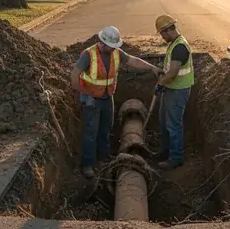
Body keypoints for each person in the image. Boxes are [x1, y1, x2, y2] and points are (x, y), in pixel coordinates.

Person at [71, 26, 162, 179]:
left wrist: (152, 68)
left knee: (106, 129)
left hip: (107, 98)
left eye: (115, 46)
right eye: (111, 46)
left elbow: (133, 61)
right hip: (92, 100)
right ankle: (88, 164)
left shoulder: (116, 53)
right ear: (102, 43)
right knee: (90, 133)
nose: (114, 49)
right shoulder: (88, 55)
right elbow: (74, 76)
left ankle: (104, 157)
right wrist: (86, 95)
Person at [153, 14, 194, 170]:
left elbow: (173, 72)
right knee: (164, 122)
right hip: (171, 89)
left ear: (167, 30)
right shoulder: (174, 44)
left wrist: (160, 83)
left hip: (178, 92)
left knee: (173, 125)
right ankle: (166, 151)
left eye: (162, 34)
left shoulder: (180, 47)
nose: (162, 37)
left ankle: (175, 158)